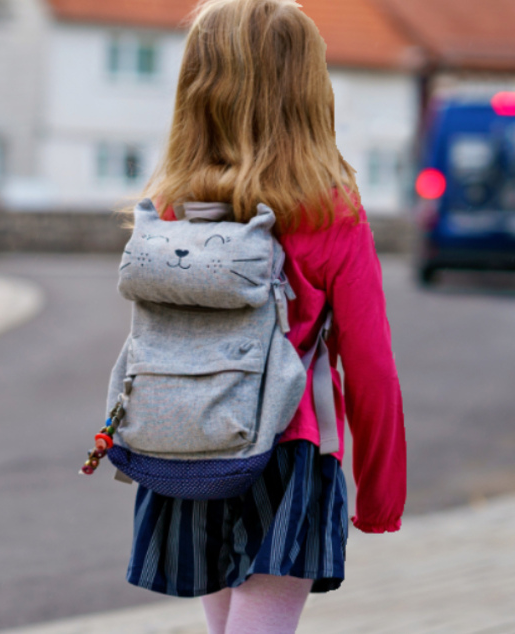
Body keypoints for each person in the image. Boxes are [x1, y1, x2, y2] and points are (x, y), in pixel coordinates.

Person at [121, 1, 407, 632]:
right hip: (289, 452)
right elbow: (371, 368)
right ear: (307, 87)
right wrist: (381, 493)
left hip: (190, 445)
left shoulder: (170, 205)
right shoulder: (330, 212)